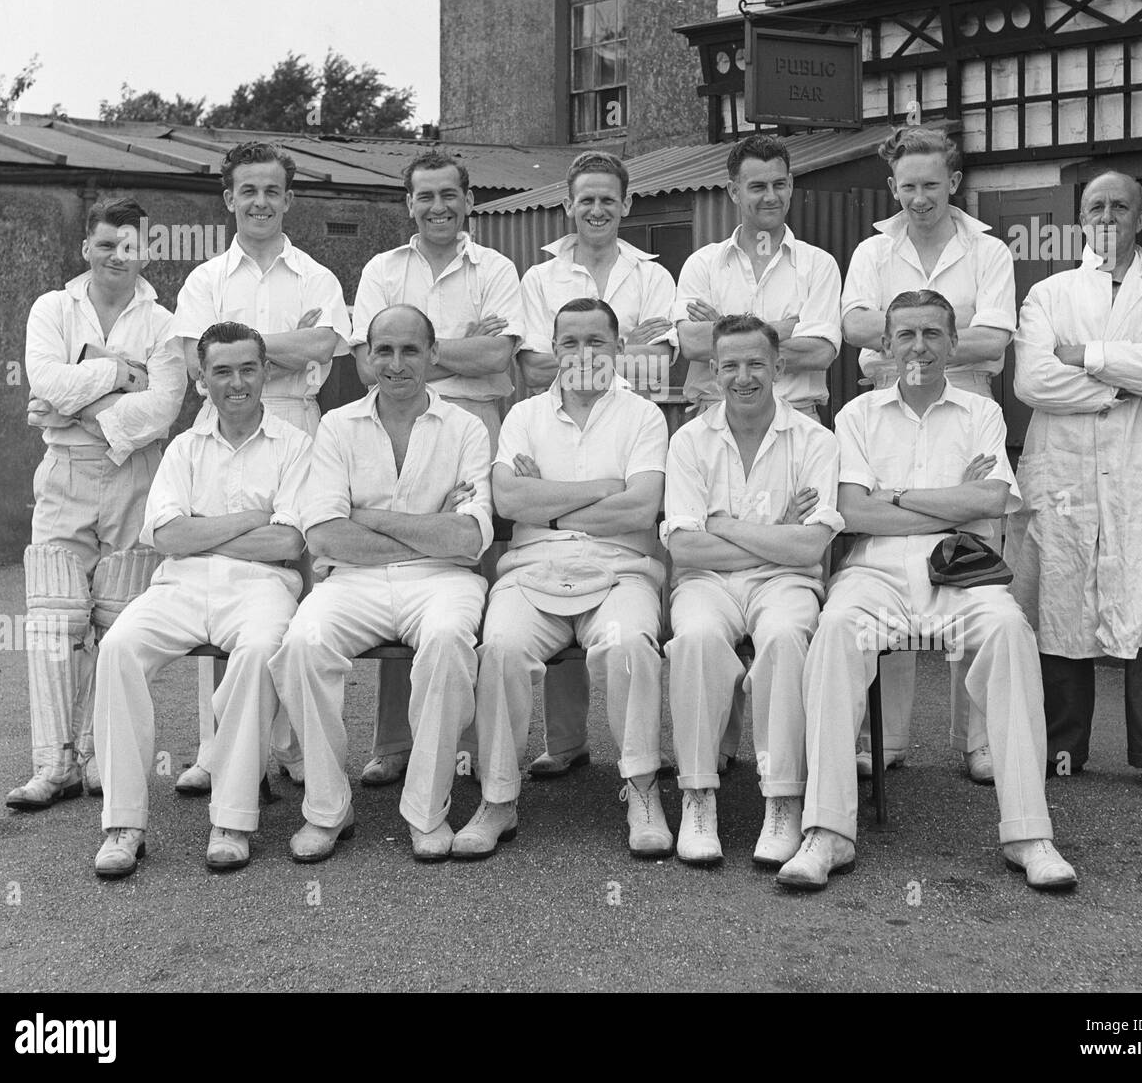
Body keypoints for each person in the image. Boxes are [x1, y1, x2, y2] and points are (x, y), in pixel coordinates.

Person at [779, 290, 1077, 892]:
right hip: (875, 572)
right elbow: (855, 514)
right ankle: (828, 831)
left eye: (933, 334)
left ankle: (1029, 832)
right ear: (885, 346)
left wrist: (894, 497)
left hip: (962, 572)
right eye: (906, 334)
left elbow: (990, 500)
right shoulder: (856, 416)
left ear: (953, 344)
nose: (919, 346)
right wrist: (945, 505)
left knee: (1010, 630)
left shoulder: (980, 415)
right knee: (835, 629)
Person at [1005, 171, 1142, 798]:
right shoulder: (1048, 294)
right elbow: (1033, 384)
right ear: (1079, 218)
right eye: (1095, 205)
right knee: (1062, 597)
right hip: (1067, 468)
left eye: (1120, 206)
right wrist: (1130, 374)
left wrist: (1087, 356)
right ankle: (1063, 747)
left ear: (1141, 218)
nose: (1108, 215)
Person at [269, 305, 493, 862]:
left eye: (410, 350)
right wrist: (429, 528)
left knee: (446, 643)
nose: (396, 364)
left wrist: (366, 516)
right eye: (384, 351)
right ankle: (327, 809)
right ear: (367, 358)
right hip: (353, 581)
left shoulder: (466, 427)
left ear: (433, 354)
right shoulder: (337, 426)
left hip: (444, 581)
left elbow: (468, 538)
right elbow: (323, 536)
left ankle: (426, 810)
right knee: (302, 644)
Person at [91, 322, 312, 877]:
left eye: (246, 369)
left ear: (265, 372)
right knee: (118, 647)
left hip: (264, 585)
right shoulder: (184, 450)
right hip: (181, 583)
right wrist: (250, 521)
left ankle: (232, 818)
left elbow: (288, 541)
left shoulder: (297, 446)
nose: (236, 383)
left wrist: (204, 527)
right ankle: (123, 824)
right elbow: (168, 537)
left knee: (260, 649)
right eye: (221, 371)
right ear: (201, 381)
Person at [453, 297, 670, 859]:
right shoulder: (524, 416)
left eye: (596, 341)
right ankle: (498, 798)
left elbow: (641, 509)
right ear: (553, 349)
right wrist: (604, 487)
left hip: (620, 571)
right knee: (498, 647)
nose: (583, 352)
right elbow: (508, 498)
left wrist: (544, 504)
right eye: (569, 341)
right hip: (531, 571)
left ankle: (642, 788)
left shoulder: (643, 415)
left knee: (630, 646)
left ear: (619, 348)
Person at [171, 140, 352, 794]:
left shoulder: (318, 278)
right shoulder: (203, 281)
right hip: (222, 433)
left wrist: (236, 345)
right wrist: (276, 347)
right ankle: (216, 748)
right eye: (248, 190)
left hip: (296, 433)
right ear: (229, 199)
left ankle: (298, 747)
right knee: (225, 583)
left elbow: (323, 346)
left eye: (272, 190)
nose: (260, 201)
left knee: (294, 593)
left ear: (289, 198)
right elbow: (199, 362)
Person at [841, 126, 1016, 786]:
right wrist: (940, 337)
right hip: (887, 414)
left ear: (953, 180)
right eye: (907, 186)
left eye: (931, 184)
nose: (920, 198)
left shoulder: (987, 249)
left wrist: (901, 338)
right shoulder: (872, 250)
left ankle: (982, 742)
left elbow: (999, 338)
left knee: (974, 570)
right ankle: (885, 740)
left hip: (967, 417)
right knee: (891, 565)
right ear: (894, 187)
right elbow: (849, 325)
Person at [348, 148, 523, 788]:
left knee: (459, 589)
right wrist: (456, 346)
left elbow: (501, 355)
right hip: (395, 431)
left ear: (468, 199)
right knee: (398, 570)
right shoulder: (381, 269)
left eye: (449, 195)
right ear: (408, 203)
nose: (437, 207)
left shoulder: (497, 268)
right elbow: (372, 366)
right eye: (425, 196)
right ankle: (395, 742)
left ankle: (463, 742)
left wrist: (423, 350)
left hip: (473, 432)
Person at [8, 199, 186, 811]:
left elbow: (161, 410)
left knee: (117, 628)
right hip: (65, 473)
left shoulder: (164, 322)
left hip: (137, 474)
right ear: (87, 247)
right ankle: (50, 765)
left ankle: (97, 758)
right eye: (106, 244)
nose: (118, 255)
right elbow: (44, 383)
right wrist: (113, 372)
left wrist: (73, 399)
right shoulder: (53, 308)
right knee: (56, 623)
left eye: (129, 245)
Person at [518, 151, 676, 782]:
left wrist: (615, 360)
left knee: (612, 571)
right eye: (586, 199)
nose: (597, 209)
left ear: (627, 204)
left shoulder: (652, 274)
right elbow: (531, 367)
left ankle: (639, 753)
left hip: (629, 421)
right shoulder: (541, 278)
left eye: (609, 198)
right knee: (555, 574)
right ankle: (566, 741)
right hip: (554, 422)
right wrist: (626, 348)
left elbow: (662, 370)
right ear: (569, 204)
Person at [663, 314, 841, 868]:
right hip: (706, 582)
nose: (744, 377)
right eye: (731, 365)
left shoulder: (815, 439)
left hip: (785, 583)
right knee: (693, 637)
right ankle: (697, 796)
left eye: (756, 364)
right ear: (713, 371)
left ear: (779, 367)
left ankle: (784, 798)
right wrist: (776, 535)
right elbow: (685, 550)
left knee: (787, 636)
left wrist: (724, 524)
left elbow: (809, 550)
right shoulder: (690, 440)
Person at [674, 133, 842, 422]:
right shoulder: (701, 264)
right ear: (734, 191)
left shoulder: (819, 264)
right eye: (757, 187)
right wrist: (787, 329)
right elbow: (691, 344)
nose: (771, 197)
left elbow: (820, 352)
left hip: (797, 420)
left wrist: (723, 330)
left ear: (790, 185)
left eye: (779, 185)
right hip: (715, 418)